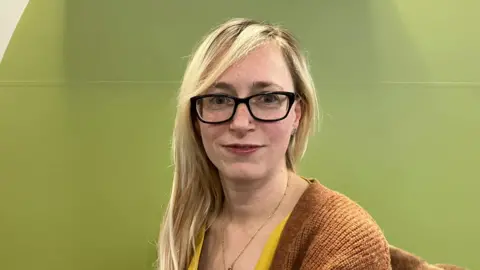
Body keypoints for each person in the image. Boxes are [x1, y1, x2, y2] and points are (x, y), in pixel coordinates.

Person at [156, 18, 392, 270]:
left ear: (297, 114)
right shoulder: (187, 225)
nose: (240, 123)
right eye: (219, 99)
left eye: (268, 98)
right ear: (195, 118)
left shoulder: (344, 239)